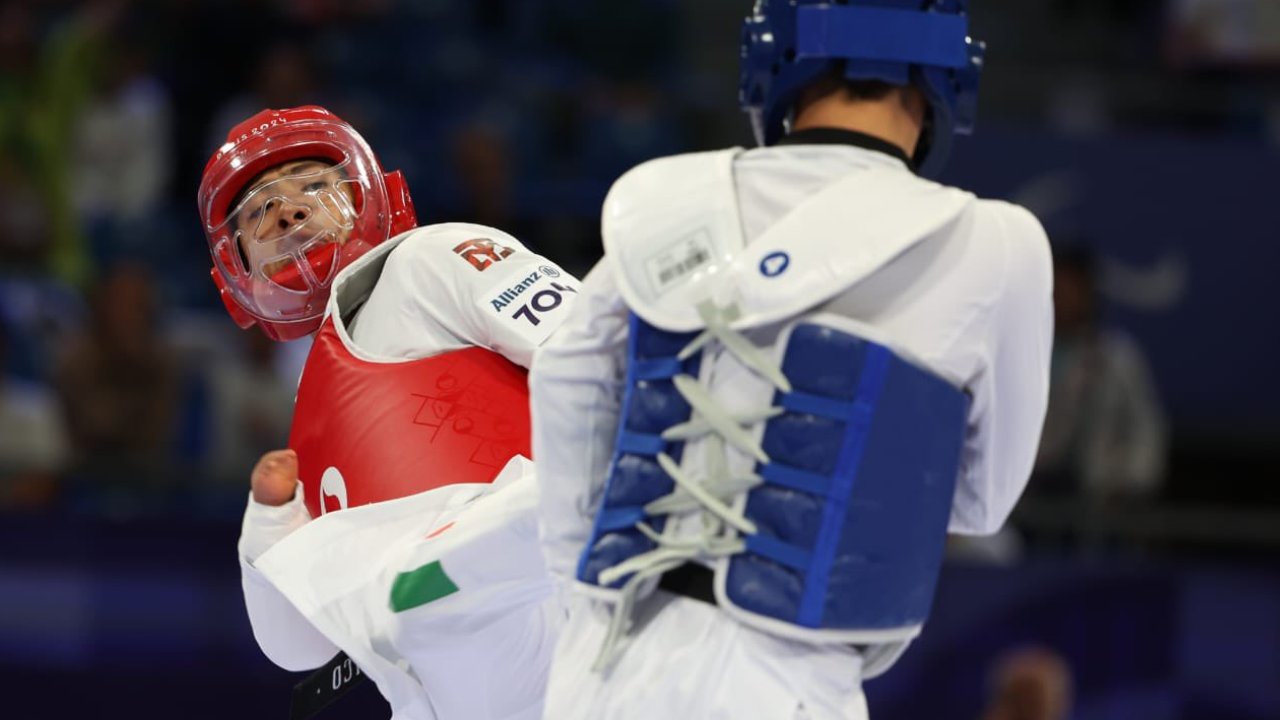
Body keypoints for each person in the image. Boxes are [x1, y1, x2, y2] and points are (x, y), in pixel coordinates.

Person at [529, 1, 1054, 718]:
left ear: (772, 63)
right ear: (947, 75)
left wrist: (579, 588)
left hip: (609, 649)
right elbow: (982, 502)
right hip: (787, 668)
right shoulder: (995, 242)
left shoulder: (668, 197)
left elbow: (566, 371)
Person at [198, 106, 579, 719]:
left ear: (374, 195)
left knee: (418, 602)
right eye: (258, 213)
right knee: (413, 610)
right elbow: (298, 648)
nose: (289, 211)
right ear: (235, 268)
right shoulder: (313, 419)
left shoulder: (434, 256)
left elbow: (601, 357)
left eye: (314, 185)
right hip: (456, 697)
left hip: (564, 614)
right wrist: (267, 525)